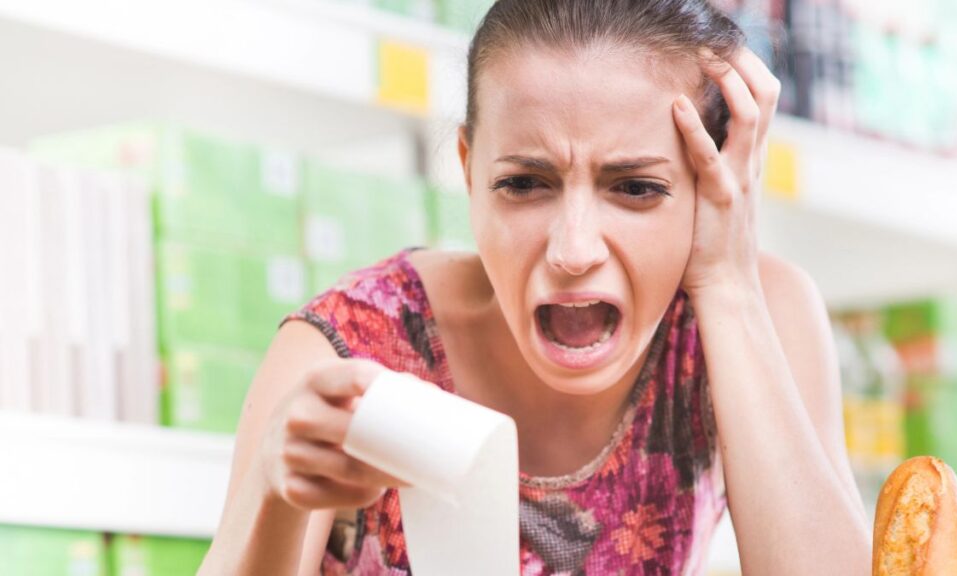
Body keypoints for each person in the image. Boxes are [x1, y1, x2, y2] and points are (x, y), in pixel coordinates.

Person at [200, 0, 871, 573]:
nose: (573, 250)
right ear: (469, 171)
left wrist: (727, 281)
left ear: (712, 187)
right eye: (524, 184)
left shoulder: (756, 321)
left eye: (636, 188)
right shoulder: (346, 350)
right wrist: (273, 486)